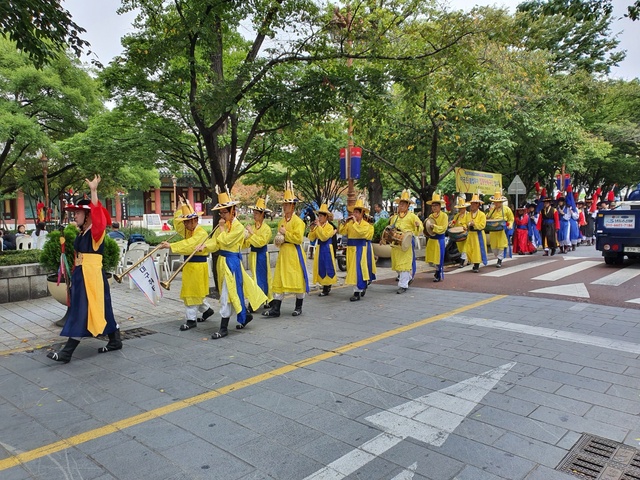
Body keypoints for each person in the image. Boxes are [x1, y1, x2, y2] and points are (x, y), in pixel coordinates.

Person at [47, 175, 122, 363]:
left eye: (79, 213)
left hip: (91, 275)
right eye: (75, 213)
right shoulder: (83, 232)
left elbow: (99, 218)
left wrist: (94, 192)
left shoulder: (96, 232)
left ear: (88, 215)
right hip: (82, 274)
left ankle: (66, 353)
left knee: (82, 310)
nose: (75, 215)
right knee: (101, 308)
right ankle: (115, 340)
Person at [200, 189, 267, 339]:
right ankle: (245, 315)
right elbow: (216, 243)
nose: (222, 216)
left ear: (233, 211)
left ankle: (223, 328)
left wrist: (222, 228)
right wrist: (204, 246)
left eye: (224, 212)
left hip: (232, 264)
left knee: (226, 295)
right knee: (232, 293)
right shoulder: (225, 226)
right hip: (222, 263)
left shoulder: (237, 228)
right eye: (221, 213)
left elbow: (225, 240)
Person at [158, 197, 214, 331]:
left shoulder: (200, 233)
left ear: (195, 220)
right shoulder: (189, 229)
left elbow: (189, 245)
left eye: (188, 222)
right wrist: (179, 207)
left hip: (198, 267)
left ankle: (191, 319)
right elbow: (178, 226)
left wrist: (171, 245)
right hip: (190, 266)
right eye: (185, 222)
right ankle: (207, 310)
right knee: (194, 292)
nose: (185, 225)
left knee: (192, 293)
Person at [263, 181, 309, 317]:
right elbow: (279, 235)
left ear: (293, 206)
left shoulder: (298, 222)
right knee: (279, 279)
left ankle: (298, 306)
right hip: (283, 252)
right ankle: (276, 308)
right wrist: (279, 238)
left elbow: (298, 238)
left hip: (294, 253)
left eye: (287, 204)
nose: (284, 207)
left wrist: (285, 234)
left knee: (297, 278)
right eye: (283, 204)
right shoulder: (282, 221)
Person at [339, 198, 375, 301]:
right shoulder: (350, 223)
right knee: (351, 269)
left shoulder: (366, 225)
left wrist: (355, 222)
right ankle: (360, 288)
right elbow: (342, 232)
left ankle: (357, 291)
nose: (354, 214)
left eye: (356, 212)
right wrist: (344, 223)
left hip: (360, 248)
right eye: (353, 212)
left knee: (358, 269)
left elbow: (361, 233)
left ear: (362, 213)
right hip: (350, 249)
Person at [389, 189, 423, 293]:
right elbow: (390, 228)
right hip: (396, 243)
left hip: (406, 242)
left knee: (404, 263)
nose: (401, 206)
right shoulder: (394, 217)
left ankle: (403, 285)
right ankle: (407, 277)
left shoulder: (412, 216)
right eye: (400, 204)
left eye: (403, 204)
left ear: (408, 205)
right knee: (397, 264)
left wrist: (418, 226)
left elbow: (420, 227)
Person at [243, 197, 273, 308]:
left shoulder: (266, 229)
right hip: (253, 255)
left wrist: (251, 234)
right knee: (254, 277)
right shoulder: (253, 227)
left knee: (262, 277)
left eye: (256, 213)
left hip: (261, 255)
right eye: (254, 213)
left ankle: (262, 299)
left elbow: (260, 242)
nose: (254, 215)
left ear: (262, 214)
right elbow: (247, 243)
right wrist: (245, 237)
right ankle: (258, 299)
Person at [309, 203, 338, 297]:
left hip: (327, 247)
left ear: (326, 217)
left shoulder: (329, 226)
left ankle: (327, 286)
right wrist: (312, 229)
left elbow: (324, 237)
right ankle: (324, 284)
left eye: (321, 216)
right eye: (319, 215)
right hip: (320, 247)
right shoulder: (318, 226)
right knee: (320, 265)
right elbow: (312, 238)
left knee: (327, 265)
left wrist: (319, 227)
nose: (320, 217)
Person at [485, 190, 514, 268]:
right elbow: (487, 217)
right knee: (494, 247)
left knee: (501, 245)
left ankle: (499, 260)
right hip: (493, 231)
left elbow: (511, 219)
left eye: (497, 202)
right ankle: (498, 256)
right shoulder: (492, 210)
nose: (496, 204)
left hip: (502, 230)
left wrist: (510, 225)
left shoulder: (507, 209)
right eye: (495, 202)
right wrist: (487, 216)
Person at [424, 192, 448, 282]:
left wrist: (434, 227)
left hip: (439, 240)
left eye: (436, 205)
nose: (434, 207)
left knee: (438, 258)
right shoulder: (430, 216)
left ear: (440, 206)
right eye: (433, 206)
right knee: (432, 259)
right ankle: (437, 271)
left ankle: (438, 273)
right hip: (432, 239)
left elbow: (444, 228)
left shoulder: (444, 216)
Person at [465, 193, 489, 272]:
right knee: (469, 249)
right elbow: (465, 223)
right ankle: (472, 261)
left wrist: (474, 224)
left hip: (478, 235)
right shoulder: (468, 214)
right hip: (470, 234)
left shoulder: (482, 214)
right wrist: (465, 226)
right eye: (471, 204)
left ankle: (476, 265)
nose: (472, 206)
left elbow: (482, 225)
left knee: (477, 250)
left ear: (478, 205)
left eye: (474, 204)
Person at [449, 195, 471, 268]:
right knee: (461, 249)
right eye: (460, 208)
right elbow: (454, 222)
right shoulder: (457, 216)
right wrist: (451, 224)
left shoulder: (468, 215)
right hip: (458, 234)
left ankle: (462, 262)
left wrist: (465, 226)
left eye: (462, 208)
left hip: (466, 233)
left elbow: (469, 223)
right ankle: (469, 259)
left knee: (465, 248)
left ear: (465, 208)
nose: (461, 210)